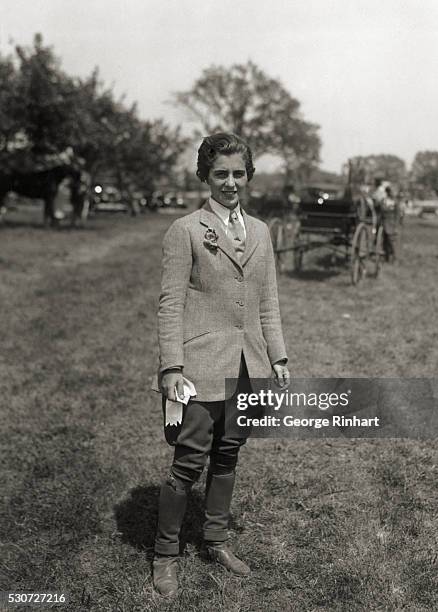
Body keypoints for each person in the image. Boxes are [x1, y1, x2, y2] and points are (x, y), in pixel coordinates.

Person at [152, 132, 290, 597]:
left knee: (228, 453)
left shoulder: (262, 232)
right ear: (205, 177)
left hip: (247, 366)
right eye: (220, 174)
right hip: (199, 367)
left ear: (248, 176)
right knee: (188, 460)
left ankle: (215, 538)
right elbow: (170, 305)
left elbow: (268, 302)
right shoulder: (185, 230)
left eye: (238, 173)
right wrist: (172, 368)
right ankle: (165, 554)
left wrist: (278, 356)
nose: (230, 182)